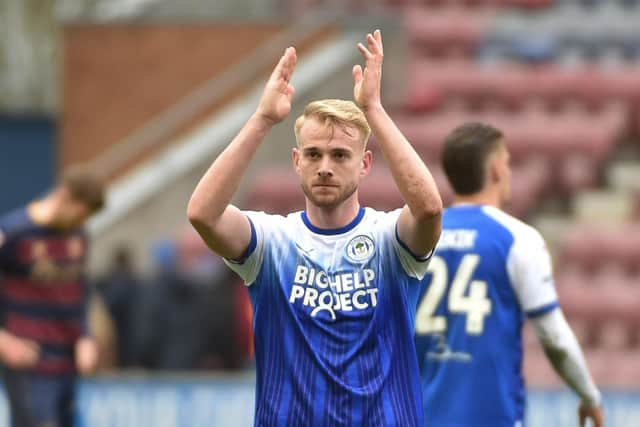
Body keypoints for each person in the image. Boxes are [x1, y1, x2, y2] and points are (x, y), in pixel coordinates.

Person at [188, 29, 442, 426]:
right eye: (314, 154)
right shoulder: (271, 244)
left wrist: (373, 109)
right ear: (296, 160)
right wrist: (262, 119)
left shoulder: (387, 240)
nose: (325, 166)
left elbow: (428, 209)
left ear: (364, 164)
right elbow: (203, 213)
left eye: (340, 154)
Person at [414, 122, 604, 427]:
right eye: (507, 162)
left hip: (419, 415)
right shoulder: (517, 239)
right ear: (495, 171)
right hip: (491, 416)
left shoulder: (415, 237)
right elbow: (553, 337)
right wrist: (589, 395)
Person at [0, 166, 105, 427]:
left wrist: (85, 336)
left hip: (66, 362)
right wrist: (3, 342)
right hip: (29, 358)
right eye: (80, 214)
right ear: (64, 196)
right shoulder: (13, 232)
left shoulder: (78, 235)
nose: (81, 222)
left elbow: (78, 291)